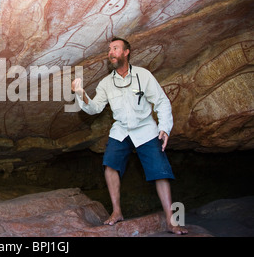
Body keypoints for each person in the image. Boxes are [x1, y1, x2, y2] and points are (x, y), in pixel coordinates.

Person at [71, 37, 188, 235]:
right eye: (109, 49)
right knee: (110, 165)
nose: (111, 52)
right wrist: (81, 93)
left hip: (145, 128)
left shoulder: (144, 75)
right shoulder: (106, 83)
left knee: (160, 172)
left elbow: (161, 101)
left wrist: (165, 127)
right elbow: (94, 108)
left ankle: (170, 220)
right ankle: (117, 212)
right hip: (121, 129)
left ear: (126, 52)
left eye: (115, 48)